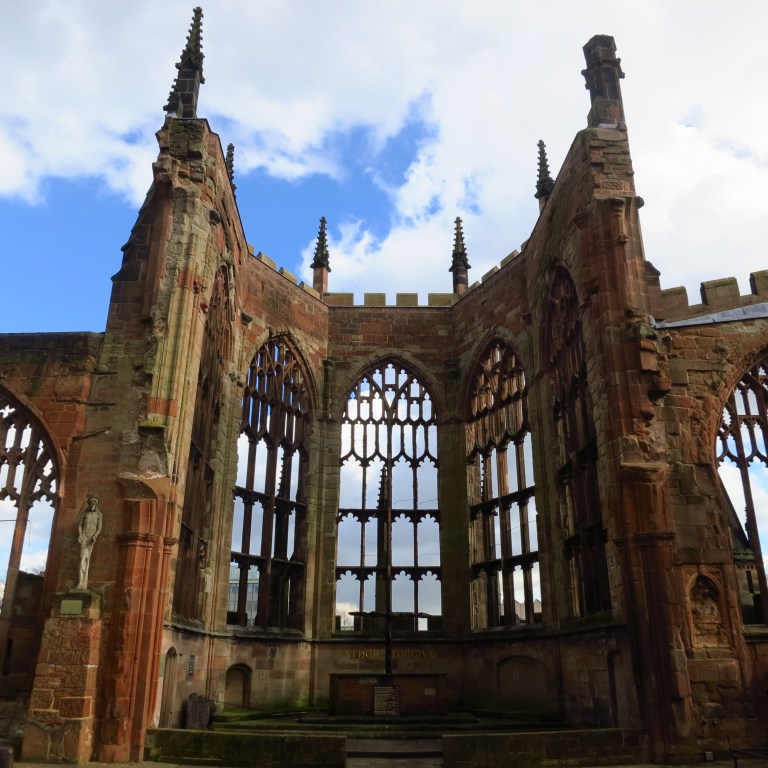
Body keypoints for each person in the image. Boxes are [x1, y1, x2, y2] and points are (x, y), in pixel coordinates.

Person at [76, 496, 102, 590]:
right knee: (82, 558)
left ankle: (84, 584)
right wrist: (80, 535)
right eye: (91, 504)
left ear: (96, 505)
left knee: (87, 559)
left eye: (94, 504)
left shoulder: (98, 515)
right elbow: (79, 526)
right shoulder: (85, 514)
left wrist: (95, 536)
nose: (92, 505)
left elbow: (99, 528)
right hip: (84, 536)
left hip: (91, 538)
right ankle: (80, 582)